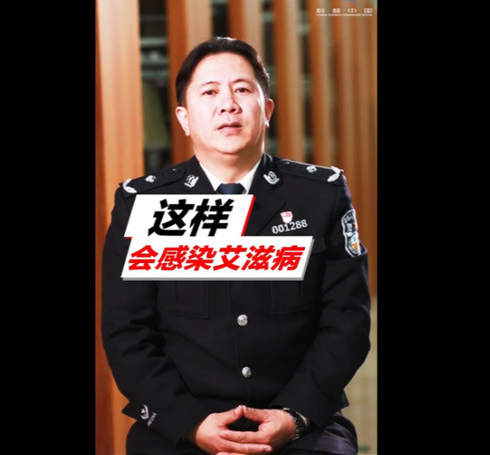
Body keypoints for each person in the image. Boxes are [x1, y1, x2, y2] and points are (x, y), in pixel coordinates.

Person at [102, 37, 371, 455]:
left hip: (300, 420)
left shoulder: (319, 195)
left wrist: (295, 415)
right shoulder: (143, 204)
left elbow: (347, 319)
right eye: (209, 92)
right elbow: (127, 332)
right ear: (184, 118)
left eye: (242, 89)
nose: (227, 105)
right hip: (181, 423)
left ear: (267, 110)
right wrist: (189, 424)